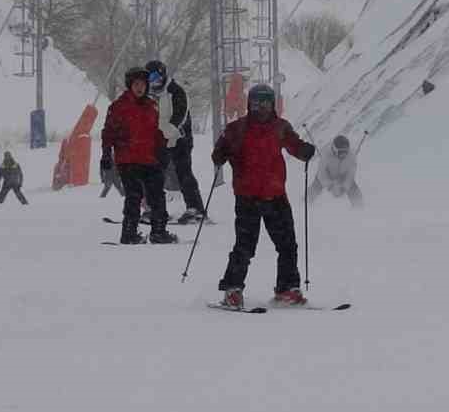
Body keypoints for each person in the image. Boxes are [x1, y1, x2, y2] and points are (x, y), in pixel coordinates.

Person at [211, 83, 316, 307]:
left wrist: (304, 151)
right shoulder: (237, 128)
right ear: (249, 104)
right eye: (256, 103)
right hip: (247, 197)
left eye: (266, 103)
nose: (261, 108)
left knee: (287, 245)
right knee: (245, 246)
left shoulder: (280, 127)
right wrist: (220, 154)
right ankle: (232, 290)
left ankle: (287, 289)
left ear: (272, 105)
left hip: (275, 196)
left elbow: (294, 145)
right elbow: (220, 149)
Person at [102, 67, 177, 245]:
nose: (139, 88)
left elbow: (157, 132)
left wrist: (163, 150)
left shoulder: (152, 106)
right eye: (136, 84)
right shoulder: (118, 107)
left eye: (142, 84)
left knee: (157, 195)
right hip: (127, 159)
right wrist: (106, 153)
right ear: (130, 85)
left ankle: (159, 231)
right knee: (134, 196)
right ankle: (129, 233)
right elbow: (108, 132)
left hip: (150, 159)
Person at [147, 60, 208, 225]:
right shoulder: (149, 95)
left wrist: (167, 131)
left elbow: (180, 117)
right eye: (149, 77)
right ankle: (155, 209)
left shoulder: (176, 91)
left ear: (162, 74)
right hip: (161, 140)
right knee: (154, 175)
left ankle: (195, 209)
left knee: (183, 172)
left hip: (180, 139)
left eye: (155, 76)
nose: (153, 81)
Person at [309, 134, 363, 207]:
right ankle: (306, 201)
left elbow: (350, 175)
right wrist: (329, 185)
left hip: (342, 176)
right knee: (316, 186)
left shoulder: (351, 156)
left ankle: (358, 206)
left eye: (346, 152)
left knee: (354, 189)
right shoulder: (326, 155)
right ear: (335, 149)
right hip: (328, 175)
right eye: (341, 152)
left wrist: (344, 187)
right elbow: (321, 173)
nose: (343, 155)